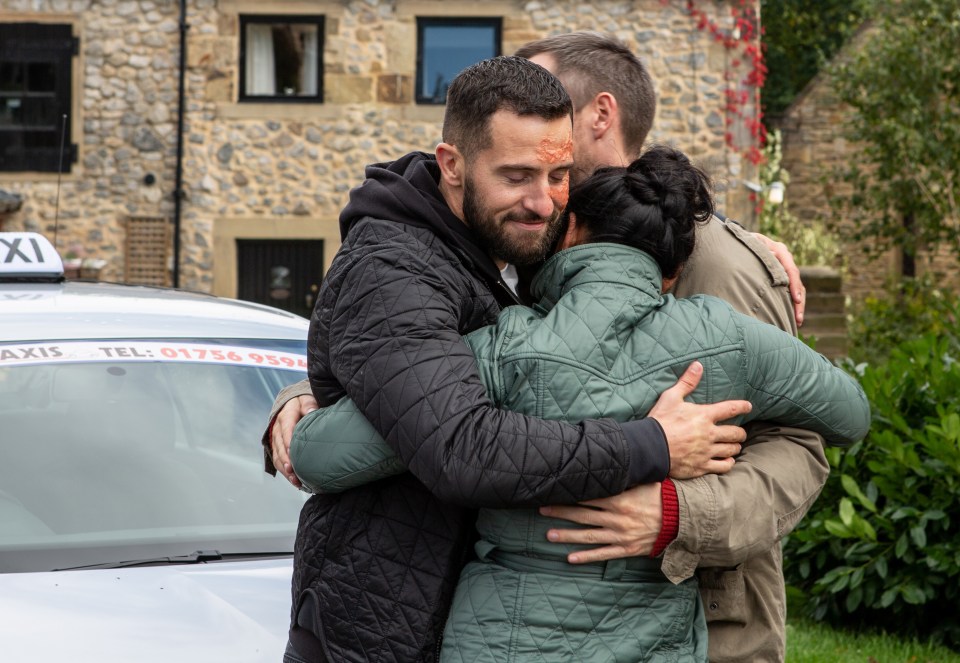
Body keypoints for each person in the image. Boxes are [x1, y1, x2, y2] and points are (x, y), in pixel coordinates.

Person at [269, 33, 829, 662]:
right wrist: (316, 388)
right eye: (519, 170)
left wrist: (677, 511)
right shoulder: (529, 238)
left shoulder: (713, 261)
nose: (541, 185)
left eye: (555, 166)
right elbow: (449, 372)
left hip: (698, 617)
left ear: (598, 115)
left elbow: (799, 448)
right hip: (480, 616)